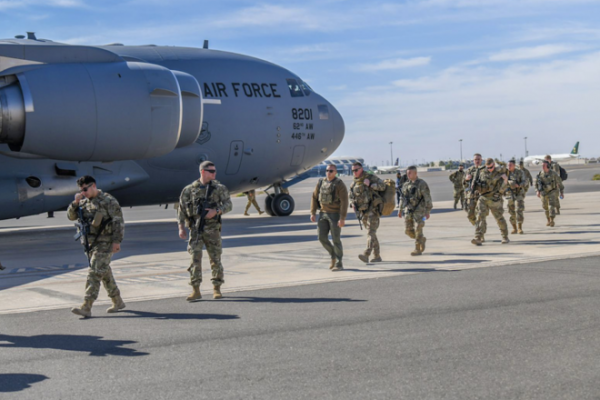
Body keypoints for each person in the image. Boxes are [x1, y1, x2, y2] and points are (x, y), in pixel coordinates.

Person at [67, 175, 125, 318]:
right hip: (90, 243)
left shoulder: (108, 200)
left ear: (93, 185)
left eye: (85, 189)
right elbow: (71, 216)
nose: (83, 192)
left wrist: (117, 242)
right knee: (104, 272)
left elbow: (118, 222)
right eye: (81, 190)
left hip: (105, 242)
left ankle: (86, 306)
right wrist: (75, 203)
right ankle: (117, 301)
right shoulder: (83, 202)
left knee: (94, 273)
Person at [178, 161, 232, 301]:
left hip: (213, 230)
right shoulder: (189, 190)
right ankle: (195, 290)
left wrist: (217, 211)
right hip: (195, 230)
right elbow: (182, 209)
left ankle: (216, 288)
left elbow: (228, 204)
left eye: (215, 171)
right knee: (194, 260)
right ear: (202, 171)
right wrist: (181, 227)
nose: (214, 173)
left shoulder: (219, 188)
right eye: (211, 171)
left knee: (215, 260)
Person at [310, 164, 349, 271]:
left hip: (335, 214)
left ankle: (339, 263)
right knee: (321, 237)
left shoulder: (339, 184)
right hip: (323, 214)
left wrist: (342, 218)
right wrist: (313, 212)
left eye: (331, 171)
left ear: (335, 172)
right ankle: (333, 255)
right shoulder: (321, 182)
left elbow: (345, 202)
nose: (328, 172)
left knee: (336, 239)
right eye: (327, 170)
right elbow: (314, 197)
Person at [349, 162, 387, 263]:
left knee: (371, 232)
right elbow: (351, 196)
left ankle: (366, 254)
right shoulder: (354, 183)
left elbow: (383, 186)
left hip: (373, 210)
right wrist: (352, 203)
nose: (354, 172)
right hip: (362, 212)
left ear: (361, 169)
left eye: (356, 170)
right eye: (352, 170)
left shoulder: (370, 177)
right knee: (372, 234)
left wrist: (370, 185)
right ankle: (377, 256)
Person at [471, 158, 509, 246]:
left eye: (491, 167)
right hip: (483, 197)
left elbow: (502, 189)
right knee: (480, 217)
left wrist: (505, 180)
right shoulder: (481, 172)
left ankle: (505, 236)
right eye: (487, 167)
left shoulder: (499, 173)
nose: (489, 169)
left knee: (499, 218)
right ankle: (478, 237)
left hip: (494, 198)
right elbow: (478, 183)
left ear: (494, 165)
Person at [398, 166, 433, 256]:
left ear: (415, 173)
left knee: (419, 228)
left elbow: (427, 198)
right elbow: (402, 198)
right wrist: (400, 209)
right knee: (408, 231)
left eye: (410, 173)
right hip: (408, 211)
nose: (408, 175)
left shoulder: (422, 184)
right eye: (407, 173)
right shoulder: (405, 185)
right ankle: (421, 239)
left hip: (420, 211)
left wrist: (428, 211)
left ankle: (417, 249)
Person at [464, 154, 487, 236]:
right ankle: (479, 228)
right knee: (470, 216)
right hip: (471, 197)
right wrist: (466, 179)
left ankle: (480, 234)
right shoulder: (469, 170)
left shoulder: (485, 170)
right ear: (473, 161)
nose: (477, 161)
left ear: (481, 160)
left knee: (480, 216)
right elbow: (464, 185)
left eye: (478, 159)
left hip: (482, 197)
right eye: (475, 159)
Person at [536, 161, 564, 227]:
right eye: (542, 165)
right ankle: (548, 220)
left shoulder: (553, 174)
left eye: (544, 165)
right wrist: (537, 191)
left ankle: (552, 220)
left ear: (548, 166)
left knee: (551, 206)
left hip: (552, 192)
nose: (543, 167)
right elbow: (537, 184)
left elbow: (559, 182)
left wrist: (561, 192)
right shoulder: (540, 174)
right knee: (545, 207)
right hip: (543, 193)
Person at [505, 159, 526, 234]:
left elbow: (524, 181)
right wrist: (511, 183)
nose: (509, 166)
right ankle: (514, 228)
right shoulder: (505, 173)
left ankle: (520, 227)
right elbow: (502, 182)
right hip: (509, 193)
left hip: (519, 192)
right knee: (511, 211)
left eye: (510, 165)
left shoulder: (520, 172)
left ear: (514, 165)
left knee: (519, 209)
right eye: (508, 165)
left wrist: (519, 185)